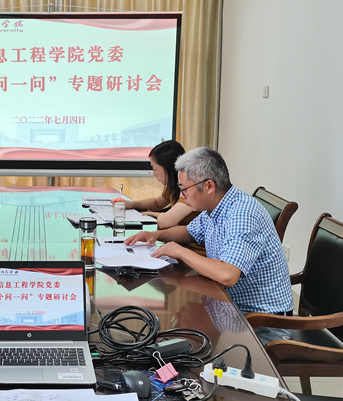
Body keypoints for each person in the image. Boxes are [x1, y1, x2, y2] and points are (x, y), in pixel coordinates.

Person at [125, 147, 293, 343]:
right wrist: (155, 235)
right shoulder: (215, 206)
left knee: (187, 345)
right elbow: (189, 231)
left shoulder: (242, 214)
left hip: (261, 321)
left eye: (184, 189)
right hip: (229, 304)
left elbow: (227, 275)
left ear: (209, 186)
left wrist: (180, 252)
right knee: (180, 341)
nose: (182, 195)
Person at [115, 140, 197, 230]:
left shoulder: (189, 189)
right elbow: (157, 203)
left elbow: (165, 222)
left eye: (155, 169)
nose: (154, 174)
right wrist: (131, 204)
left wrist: (157, 215)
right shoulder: (173, 186)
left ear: (168, 167)